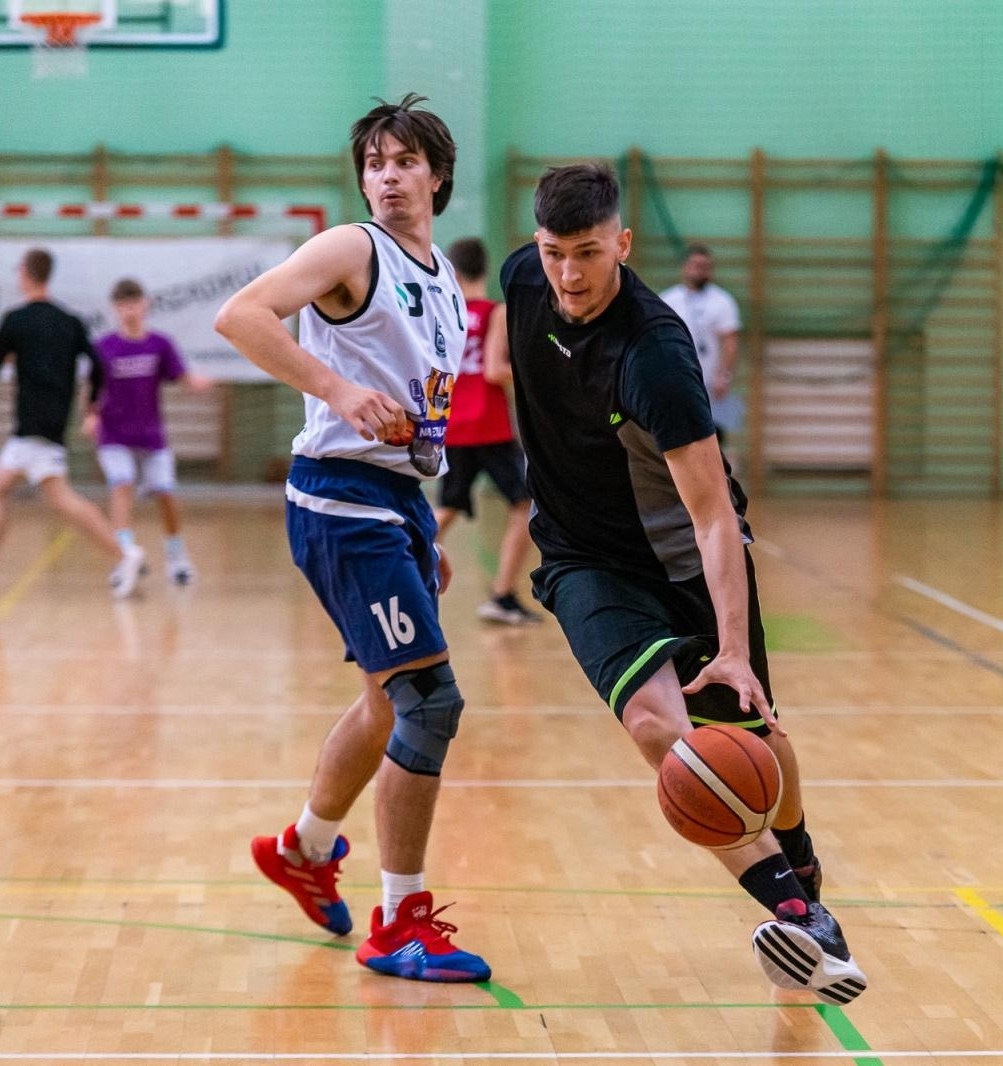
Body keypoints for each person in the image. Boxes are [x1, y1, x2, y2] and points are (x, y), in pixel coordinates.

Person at [500, 163, 866, 1004]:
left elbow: (710, 517)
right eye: (555, 252)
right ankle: (804, 914)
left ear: (623, 245)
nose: (568, 274)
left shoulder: (655, 354)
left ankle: (797, 850)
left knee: (759, 741)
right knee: (656, 725)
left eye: (588, 253)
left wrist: (733, 650)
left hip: (683, 558)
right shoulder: (525, 280)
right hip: (584, 560)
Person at [216, 94, 489, 984]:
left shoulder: (442, 275)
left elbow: (420, 405)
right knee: (430, 704)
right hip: (341, 500)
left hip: (393, 504)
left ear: (438, 176)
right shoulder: (350, 248)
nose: (387, 176)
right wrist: (333, 390)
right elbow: (242, 316)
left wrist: (421, 517)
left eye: (405, 161)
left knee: (386, 702)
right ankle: (400, 921)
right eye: (375, 163)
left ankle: (305, 847)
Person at [0, 250, 145, 598]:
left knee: (57, 498)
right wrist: (92, 404)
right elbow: (98, 365)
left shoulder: (16, 320)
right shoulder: (70, 321)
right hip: (50, 423)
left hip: (32, 424)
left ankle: (125, 554)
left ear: (26, 274)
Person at [433, 237, 540, 626]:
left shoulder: (444, 314)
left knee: (447, 508)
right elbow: (495, 370)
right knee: (524, 506)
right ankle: (503, 595)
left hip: (453, 424)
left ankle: (397, 573)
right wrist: (537, 380)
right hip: (489, 425)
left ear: (454, 271)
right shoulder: (495, 312)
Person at [83, 278, 212, 585]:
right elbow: (91, 389)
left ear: (145, 305)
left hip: (151, 436)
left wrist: (196, 383)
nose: (130, 310)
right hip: (114, 434)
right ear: (115, 309)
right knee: (122, 484)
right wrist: (89, 416)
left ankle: (176, 555)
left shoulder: (160, 344)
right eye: (123, 305)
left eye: (135, 303)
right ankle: (124, 556)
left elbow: (180, 375)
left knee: (165, 492)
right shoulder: (104, 348)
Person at [659, 244, 742, 439]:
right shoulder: (668, 300)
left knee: (713, 437)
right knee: (676, 436)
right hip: (676, 380)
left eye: (705, 266)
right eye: (695, 265)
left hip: (710, 383)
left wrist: (724, 375)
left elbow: (730, 342)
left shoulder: (722, 301)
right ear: (685, 267)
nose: (700, 270)